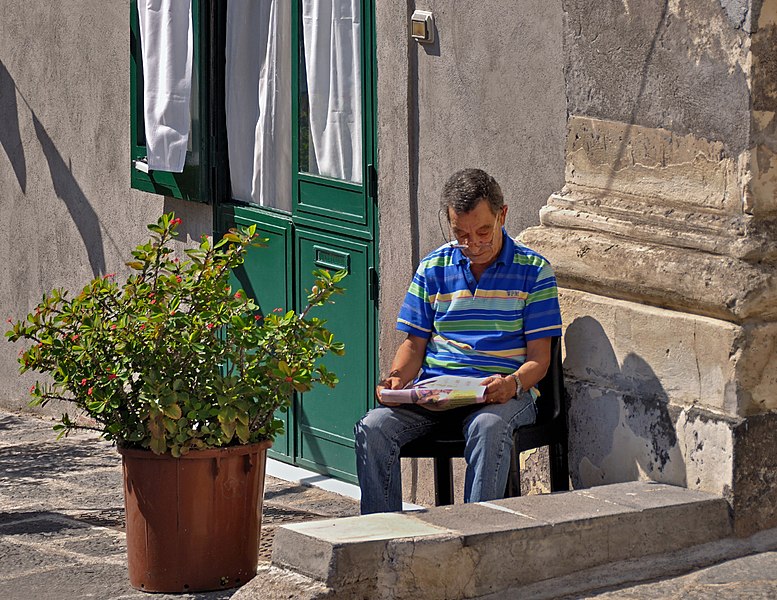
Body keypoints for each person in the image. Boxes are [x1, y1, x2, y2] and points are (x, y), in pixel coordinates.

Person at [354, 168, 562, 514]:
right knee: (372, 429)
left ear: (502, 215)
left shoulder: (534, 271)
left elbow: (540, 360)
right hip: (435, 394)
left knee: (488, 427)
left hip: (501, 394)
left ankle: (473, 537)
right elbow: (413, 346)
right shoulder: (433, 267)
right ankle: (380, 538)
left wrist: (510, 384)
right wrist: (396, 379)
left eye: (483, 231)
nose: (473, 244)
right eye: (460, 234)